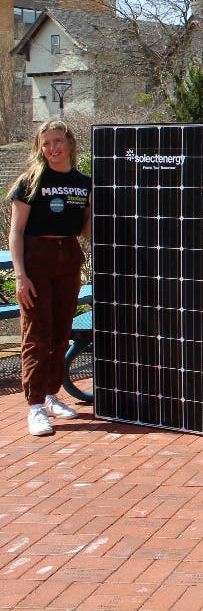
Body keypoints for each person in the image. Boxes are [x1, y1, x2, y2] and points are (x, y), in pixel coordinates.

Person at [7, 120, 90, 437]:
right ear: (39, 149)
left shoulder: (84, 183)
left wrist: (94, 209)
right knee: (36, 334)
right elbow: (15, 232)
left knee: (59, 333)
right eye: (46, 144)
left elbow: (85, 230)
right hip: (36, 259)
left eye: (58, 141)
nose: (53, 148)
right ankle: (36, 406)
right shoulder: (30, 182)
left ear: (69, 142)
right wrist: (20, 275)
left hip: (67, 258)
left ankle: (53, 395)